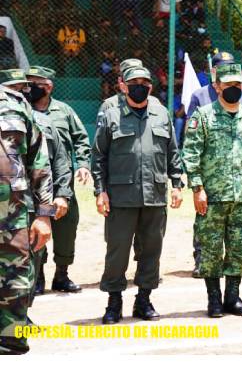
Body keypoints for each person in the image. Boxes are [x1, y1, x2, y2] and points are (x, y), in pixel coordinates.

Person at [91, 66, 184, 324]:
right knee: (117, 251)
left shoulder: (161, 114)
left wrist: (177, 184)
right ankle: (114, 302)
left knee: (151, 250)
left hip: (154, 195)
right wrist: (100, 191)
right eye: (134, 82)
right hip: (121, 197)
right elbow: (98, 156)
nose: (139, 86)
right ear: (123, 86)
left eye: (145, 81)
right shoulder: (111, 115)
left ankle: (144, 300)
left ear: (151, 87)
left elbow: (172, 153)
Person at [181, 63, 242, 318]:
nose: (234, 89)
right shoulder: (203, 116)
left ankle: (233, 296)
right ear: (217, 86)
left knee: (238, 247)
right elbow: (191, 154)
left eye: (238, 85)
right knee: (210, 249)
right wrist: (197, 188)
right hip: (212, 197)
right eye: (228, 85)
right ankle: (214, 299)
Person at [185, 51, 242, 278]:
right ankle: (200, 258)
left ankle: (235, 264)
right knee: (206, 223)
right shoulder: (199, 95)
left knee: (237, 227)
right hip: (211, 175)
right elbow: (191, 134)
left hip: (237, 179)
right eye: (220, 67)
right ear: (212, 71)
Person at [0, 71, 54, 355]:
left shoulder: (15, 104)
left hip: (11, 211)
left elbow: (39, 161)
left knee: (14, 274)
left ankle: (11, 337)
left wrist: (44, 214)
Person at [26, 66, 91, 295]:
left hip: (63, 183)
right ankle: (39, 277)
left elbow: (81, 139)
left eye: (36, 83)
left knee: (66, 228)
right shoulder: (23, 111)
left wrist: (83, 164)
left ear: (49, 86)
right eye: (28, 82)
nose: (31, 87)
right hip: (34, 184)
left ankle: (61, 275)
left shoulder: (63, 111)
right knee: (37, 227)